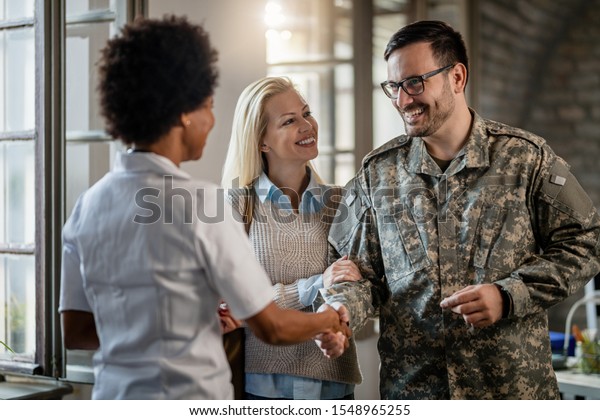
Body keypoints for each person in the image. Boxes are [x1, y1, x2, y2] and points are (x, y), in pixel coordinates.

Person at [58, 16, 350, 400]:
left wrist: (169, 325)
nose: (212, 121)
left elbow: (77, 333)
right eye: (208, 107)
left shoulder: (88, 205)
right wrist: (330, 319)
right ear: (184, 112)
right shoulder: (202, 203)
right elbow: (271, 327)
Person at [319, 20, 600, 399]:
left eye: (415, 83)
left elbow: (585, 243)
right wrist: (341, 312)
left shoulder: (526, 158)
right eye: (394, 87)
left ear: (456, 77)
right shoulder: (377, 172)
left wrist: (508, 294)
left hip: (511, 393)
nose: (403, 100)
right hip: (414, 393)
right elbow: (359, 273)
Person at [221, 76, 362, 399]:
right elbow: (234, 306)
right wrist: (316, 284)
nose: (306, 125)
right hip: (264, 387)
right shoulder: (236, 205)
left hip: (334, 382)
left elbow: (356, 288)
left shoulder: (342, 201)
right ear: (262, 142)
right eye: (289, 121)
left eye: (306, 113)